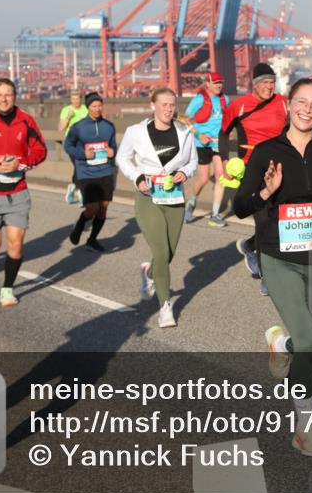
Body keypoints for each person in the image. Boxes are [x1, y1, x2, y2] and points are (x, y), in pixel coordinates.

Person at [235, 77, 312, 456]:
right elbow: (240, 205)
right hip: (279, 256)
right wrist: (266, 191)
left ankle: (280, 343)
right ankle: (304, 429)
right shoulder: (267, 151)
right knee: (309, 340)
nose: (307, 110)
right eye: (301, 102)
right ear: (288, 103)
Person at [115, 88, 197, 328]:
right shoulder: (136, 132)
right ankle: (165, 307)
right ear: (153, 105)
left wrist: (184, 172)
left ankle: (149, 273)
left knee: (169, 253)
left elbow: (192, 160)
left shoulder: (184, 132)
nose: (168, 109)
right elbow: (122, 158)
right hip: (148, 197)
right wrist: (137, 177)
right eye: (163, 104)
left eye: (172, 105)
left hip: (174, 198)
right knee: (161, 252)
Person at [0, 78, 48, 307]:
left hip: (18, 193)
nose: (4, 99)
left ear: (15, 96)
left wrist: (21, 164)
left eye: (8, 94)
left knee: (15, 244)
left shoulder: (25, 120)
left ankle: (8, 288)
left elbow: (41, 150)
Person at [220, 63, 288, 294]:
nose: (269, 87)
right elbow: (223, 132)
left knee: (279, 221)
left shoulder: (283, 102)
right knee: (263, 221)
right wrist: (225, 159)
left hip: (278, 169)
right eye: (265, 83)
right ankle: (267, 276)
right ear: (255, 84)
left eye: (272, 82)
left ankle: (250, 245)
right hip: (251, 170)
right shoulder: (238, 105)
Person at [64, 92, 117, 251]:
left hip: (106, 171)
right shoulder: (78, 127)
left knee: (104, 207)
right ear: (88, 107)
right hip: (86, 172)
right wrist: (82, 154)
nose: (98, 109)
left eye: (100, 105)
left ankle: (92, 239)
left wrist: (112, 152)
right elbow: (68, 146)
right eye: (94, 106)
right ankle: (79, 227)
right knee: (93, 208)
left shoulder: (109, 126)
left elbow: (113, 145)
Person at [182, 72, 230, 227]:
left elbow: (229, 118)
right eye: (215, 82)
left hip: (218, 143)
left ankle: (215, 215)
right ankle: (191, 203)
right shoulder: (199, 99)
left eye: (220, 82)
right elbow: (184, 118)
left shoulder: (225, 99)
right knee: (203, 178)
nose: (218, 85)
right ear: (208, 84)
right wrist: (198, 134)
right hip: (201, 143)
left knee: (220, 176)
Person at [58, 89, 88, 204]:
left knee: (81, 166)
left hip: (84, 143)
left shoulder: (86, 109)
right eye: (73, 99)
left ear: (81, 99)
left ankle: (73, 187)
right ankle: (81, 194)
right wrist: (68, 117)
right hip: (71, 142)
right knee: (79, 166)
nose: (75, 101)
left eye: (77, 98)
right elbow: (60, 128)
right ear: (71, 99)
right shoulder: (66, 110)